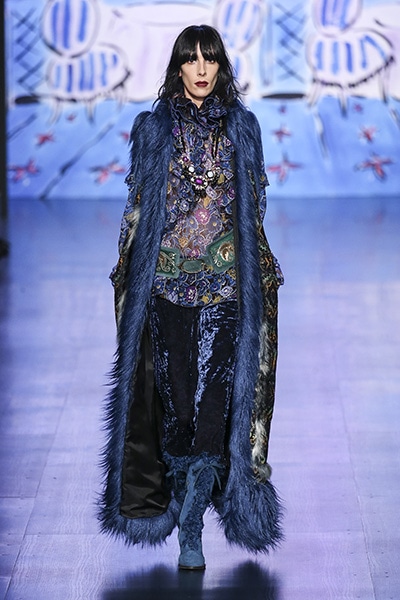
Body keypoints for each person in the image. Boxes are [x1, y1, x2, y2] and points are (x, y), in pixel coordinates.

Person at [99, 24, 284, 570]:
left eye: (210, 59)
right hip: (166, 284)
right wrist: (127, 272)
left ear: (222, 66)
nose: (201, 69)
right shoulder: (153, 129)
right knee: (176, 404)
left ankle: (193, 526)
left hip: (226, 285)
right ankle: (181, 503)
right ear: (177, 67)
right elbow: (138, 207)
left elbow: (254, 207)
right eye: (191, 59)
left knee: (215, 405)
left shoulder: (243, 128)